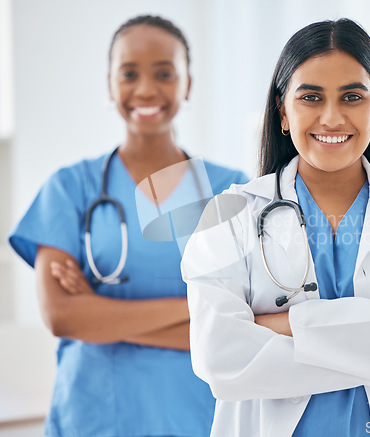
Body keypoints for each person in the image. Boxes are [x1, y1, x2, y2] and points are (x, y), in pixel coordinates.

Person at [181, 19, 370, 437]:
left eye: (352, 96)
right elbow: (222, 358)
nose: (331, 117)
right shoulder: (230, 216)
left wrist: (281, 325)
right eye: (310, 97)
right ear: (282, 112)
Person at [9, 15, 247, 437]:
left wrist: (101, 316)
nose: (146, 89)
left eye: (164, 73)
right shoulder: (70, 188)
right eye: (129, 73)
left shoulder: (231, 190)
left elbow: (246, 329)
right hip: (94, 418)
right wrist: (199, 313)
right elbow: (62, 316)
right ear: (110, 85)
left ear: (187, 84)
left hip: (198, 419)